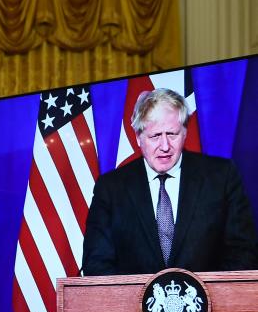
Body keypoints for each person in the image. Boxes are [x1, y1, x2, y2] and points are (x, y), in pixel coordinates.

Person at [82, 88, 258, 275]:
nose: (165, 146)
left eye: (172, 134)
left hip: (210, 303)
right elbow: (97, 264)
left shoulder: (221, 176)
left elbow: (243, 253)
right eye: (155, 136)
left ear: (184, 133)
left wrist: (208, 299)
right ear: (138, 138)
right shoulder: (110, 188)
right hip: (132, 304)